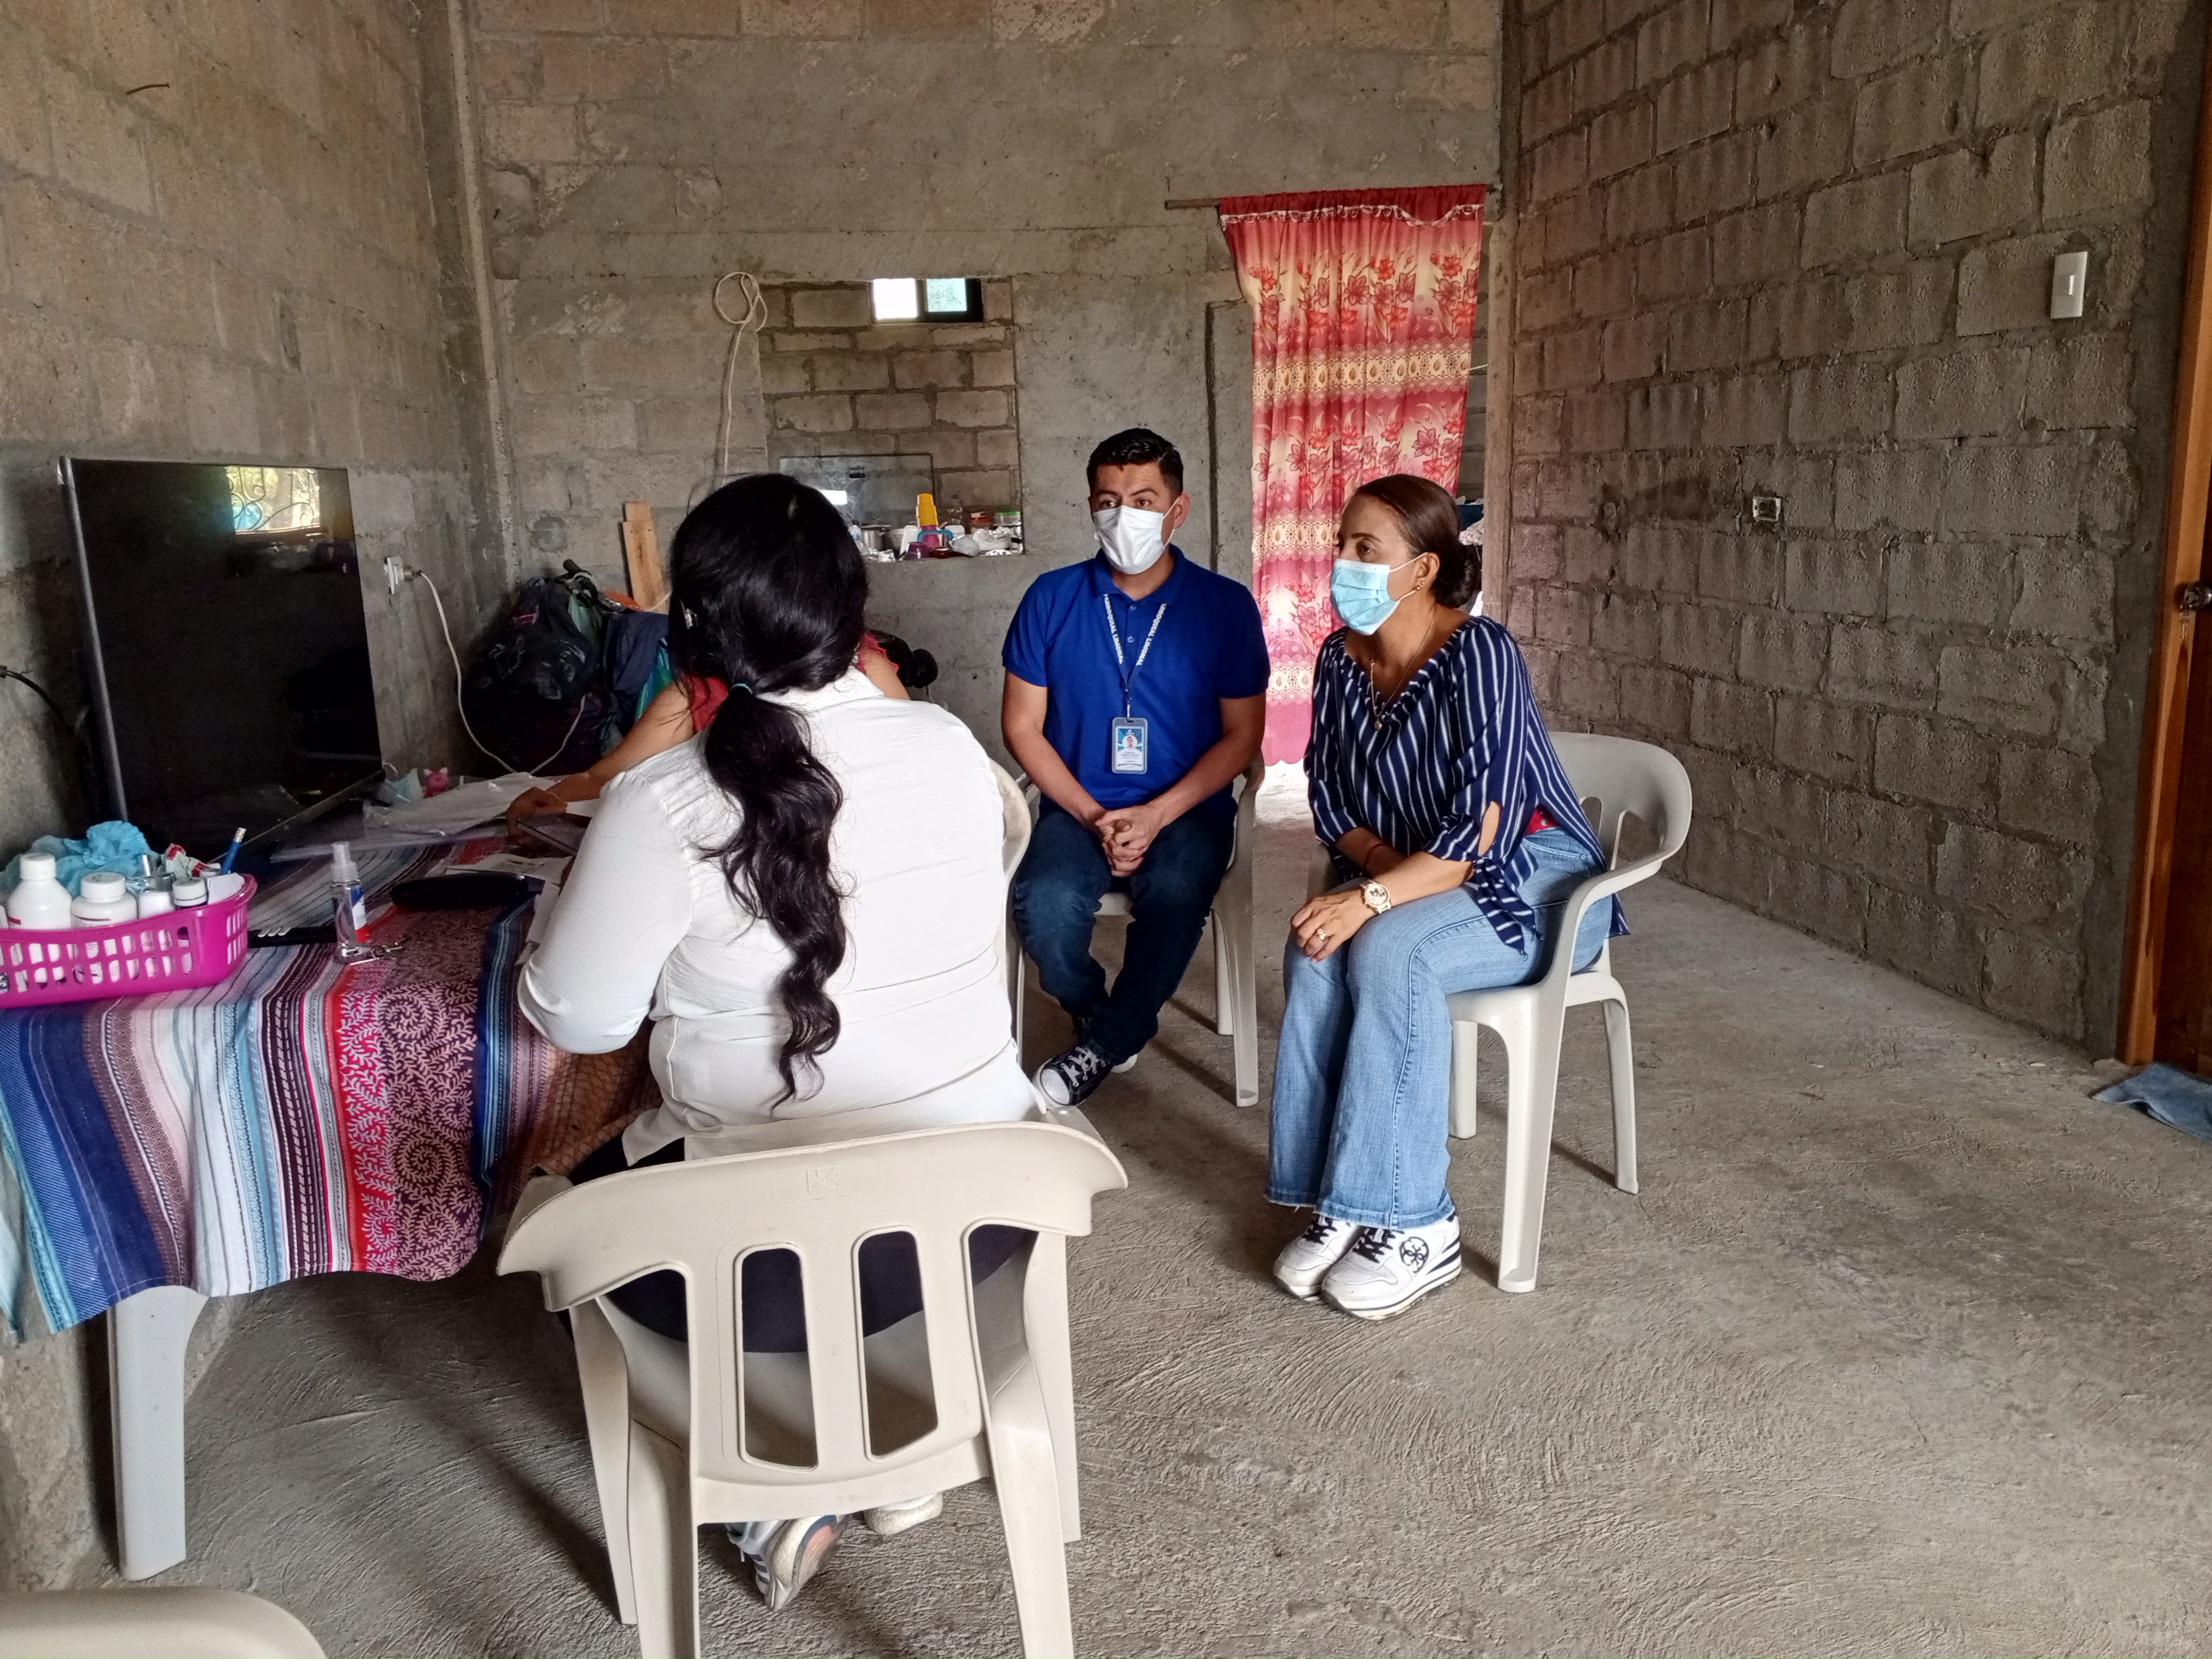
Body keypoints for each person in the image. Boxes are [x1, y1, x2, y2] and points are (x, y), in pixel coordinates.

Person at [518, 474, 1033, 1609]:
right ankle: (897, 1443)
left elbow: (580, 1018)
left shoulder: (662, 801)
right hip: (979, 1219)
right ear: (855, 611)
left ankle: (775, 1494)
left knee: (565, 1218)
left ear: (694, 628)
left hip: (764, 1264)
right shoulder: (948, 747)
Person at [1267, 475, 1625, 1322]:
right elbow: (1332, 805)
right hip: (1424, 870)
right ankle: (1343, 1198)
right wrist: (1389, 877)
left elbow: (1479, 834)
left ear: (1423, 568)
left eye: (1367, 549)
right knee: (1315, 945)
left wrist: (1381, 899)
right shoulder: (1338, 660)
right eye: (1342, 546)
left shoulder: (1479, 653)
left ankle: (1418, 1225)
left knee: (1394, 950)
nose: (1343, 563)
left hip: (1539, 881)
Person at [1000, 427, 1269, 1107]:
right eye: (1108, 500)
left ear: (1177, 510)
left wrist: (1155, 814)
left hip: (1186, 809)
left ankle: (1101, 1046)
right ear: (1091, 505)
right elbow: (1021, 727)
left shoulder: (1223, 607)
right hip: (1077, 805)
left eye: (1143, 500)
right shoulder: (1050, 598)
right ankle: (1101, 1016)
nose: (1124, 516)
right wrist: (1094, 815)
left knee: (1175, 895)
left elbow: (1242, 737)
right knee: (1042, 904)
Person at [501, 629, 907, 833]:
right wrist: (547, 806)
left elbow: (908, 772)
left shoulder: (865, 670)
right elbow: (604, 780)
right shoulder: (697, 695)